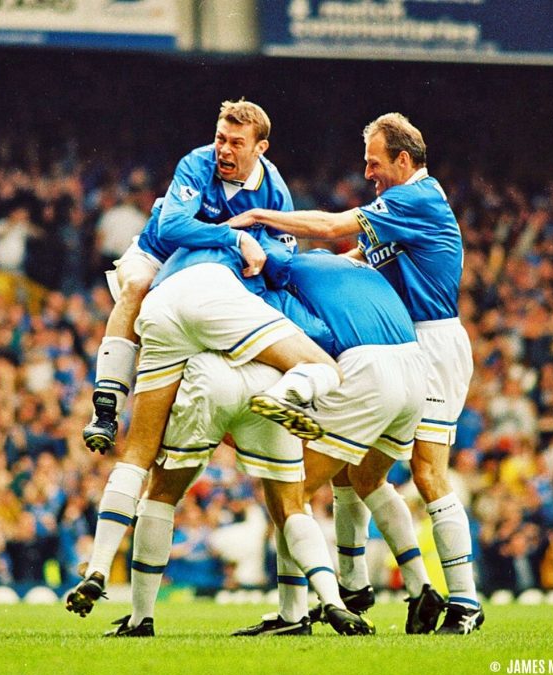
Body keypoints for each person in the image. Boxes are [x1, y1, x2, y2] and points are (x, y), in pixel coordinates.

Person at [231, 113, 483, 634]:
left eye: (374, 162)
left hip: (433, 343)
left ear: (404, 161)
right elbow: (351, 257)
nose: (367, 172)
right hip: (403, 343)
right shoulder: (397, 213)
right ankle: (394, 588)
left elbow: (329, 227)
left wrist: (262, 218)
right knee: (361, 475)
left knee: (428, 474)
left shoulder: (418, 198)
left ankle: (465, 601)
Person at [65, 229, 342, 619]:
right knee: (291, 501)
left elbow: (136, 279)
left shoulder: (170, 243)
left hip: (197, 366)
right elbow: (291, 282)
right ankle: (328, 602)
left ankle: (120, 593)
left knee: (151, 477)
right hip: (260, 366)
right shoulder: (267, 255)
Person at [106, 349, 374, 638]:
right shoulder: (274, 307)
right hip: (271, 384)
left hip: (207, 376)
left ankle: (139, 617)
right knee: (291, 504)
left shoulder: (177, 304)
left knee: (160, 495)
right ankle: (329, 601)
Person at [82, 99, 291, 454]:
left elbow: (284, 259)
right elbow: (173, 226)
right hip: (158, 256)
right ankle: (105, 410)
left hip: (210, 278)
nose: (223, 150)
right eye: (220, 138)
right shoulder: (197, 162)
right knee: (135, 285)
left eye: (236, 143)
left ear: (261, 147)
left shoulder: (275, 193)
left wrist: (257, 251)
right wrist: (236, 236)